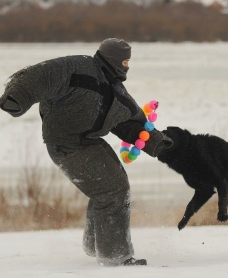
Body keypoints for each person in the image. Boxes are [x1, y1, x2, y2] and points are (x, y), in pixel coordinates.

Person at [0, 38, 172, 266]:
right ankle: (115, 256)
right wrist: (17, 97)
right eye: (125, 61)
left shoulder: (115, 89)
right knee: (113, 191)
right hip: (65, 144)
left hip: (90, 142)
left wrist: (157, 142)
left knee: (115, 187)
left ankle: (96, 245)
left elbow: (127, 123)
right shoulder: (78, 68)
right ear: (113, 59)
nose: (128, 66)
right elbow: (41, 76)